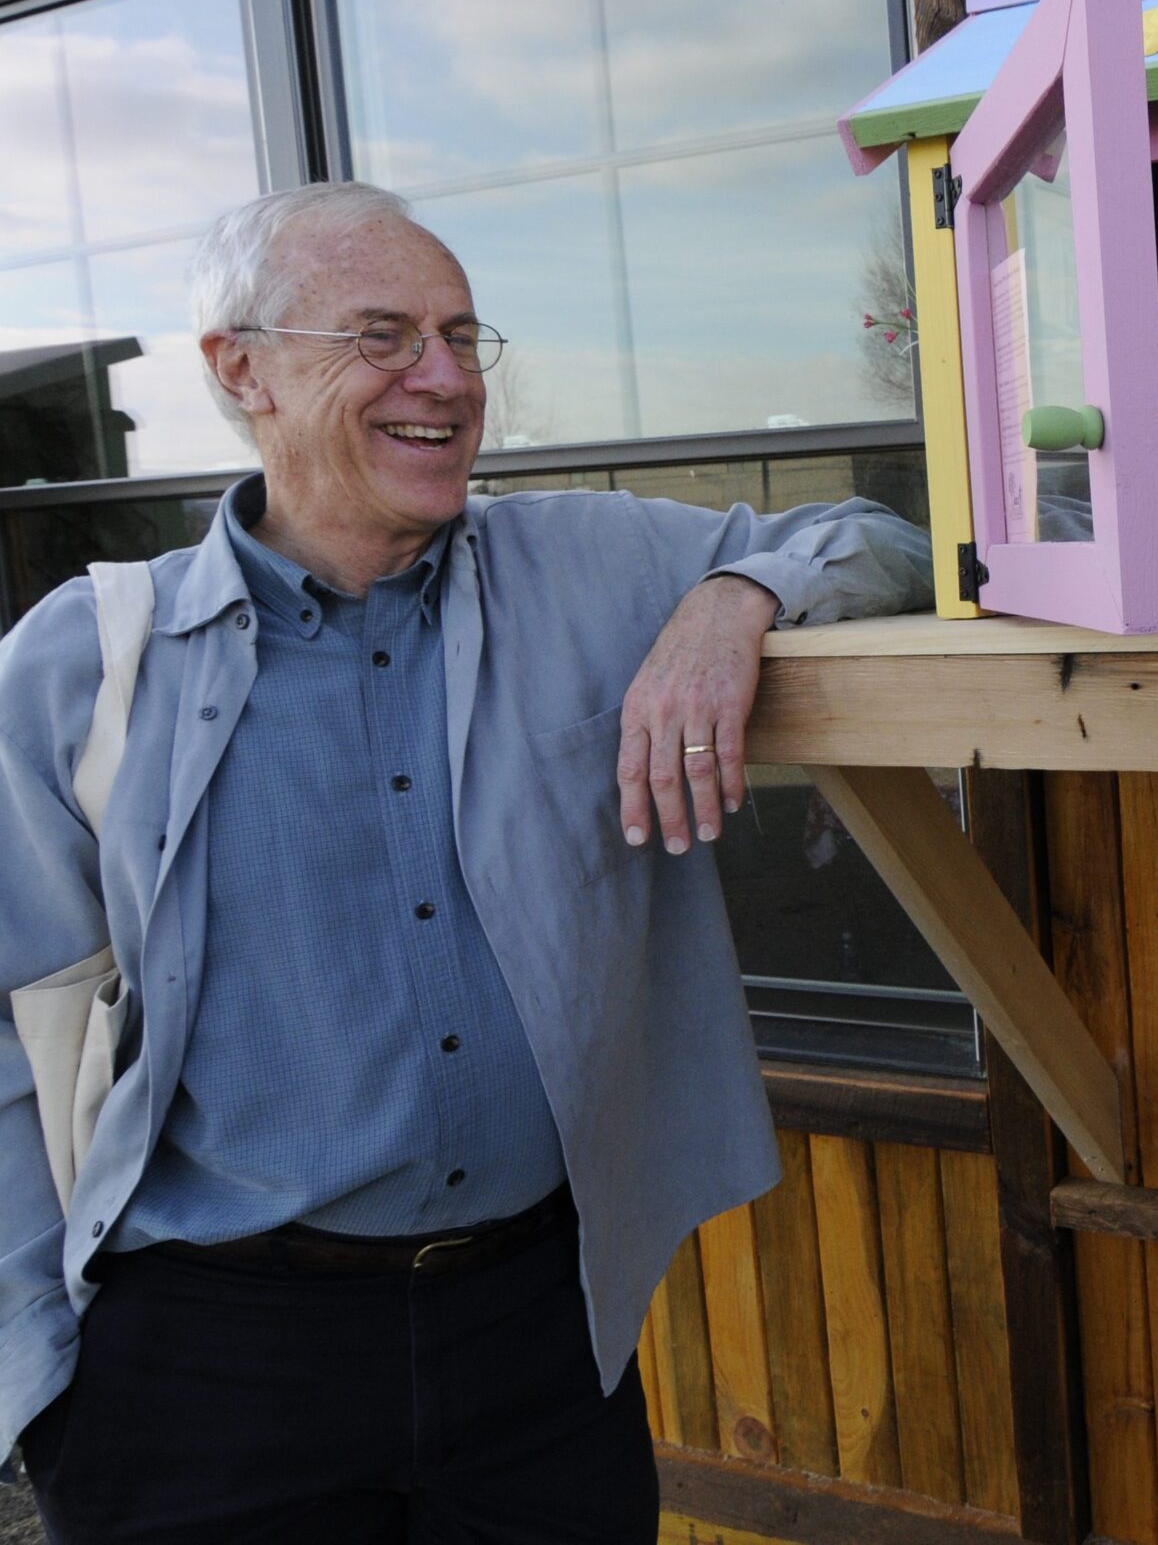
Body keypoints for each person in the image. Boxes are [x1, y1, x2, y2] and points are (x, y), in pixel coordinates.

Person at [0, 181, 931, 1540]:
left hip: (537, 1341)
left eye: (459, 335)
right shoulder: (80, 667)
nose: (442, 379)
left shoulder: (595, 562)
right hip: (206, 1359)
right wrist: (42, 1388)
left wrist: (739, 599)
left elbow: (883, 540)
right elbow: (9, 1049)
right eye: (381, 336)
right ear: (239, 368)